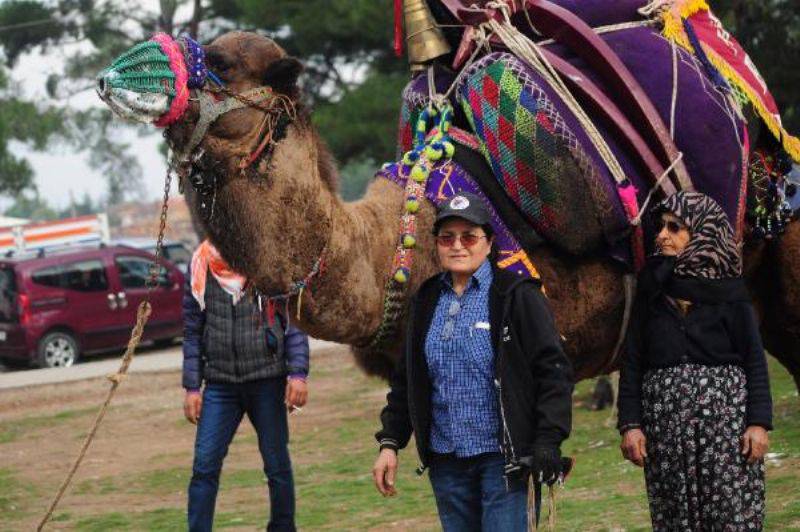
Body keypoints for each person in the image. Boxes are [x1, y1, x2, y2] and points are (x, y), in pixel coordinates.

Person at [372, 193, 574, 531]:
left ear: (489, 242)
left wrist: (548, 440)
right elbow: (407, 379)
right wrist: (390, 443)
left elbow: (553, 371)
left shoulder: (517, 295)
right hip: (446, 461)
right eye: (447, 237)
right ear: (436, 244)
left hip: (504, 461)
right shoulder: (425, 299)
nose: (458, 246)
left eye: (469, 237)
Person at [617, 191, 773, 531]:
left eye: (675, 228)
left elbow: (754, 361)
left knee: (730, 517)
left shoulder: (730, 292)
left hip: (727, 433)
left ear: (701, 231)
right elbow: (633, 361)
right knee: (676, 519)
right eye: (661, 227)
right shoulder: (653, 286)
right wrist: (630, 424)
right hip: (667, 435)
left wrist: (758, 423)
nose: (662, 236)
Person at [182, 240, 310, 532]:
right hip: (220, 386)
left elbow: (292, 323)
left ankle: (282, 527)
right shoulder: (199, 265)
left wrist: (298, 374)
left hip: (267, 380)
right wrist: (191, 388)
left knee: (277, 466)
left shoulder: (267, 260)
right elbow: (191, 331)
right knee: (204, 467)